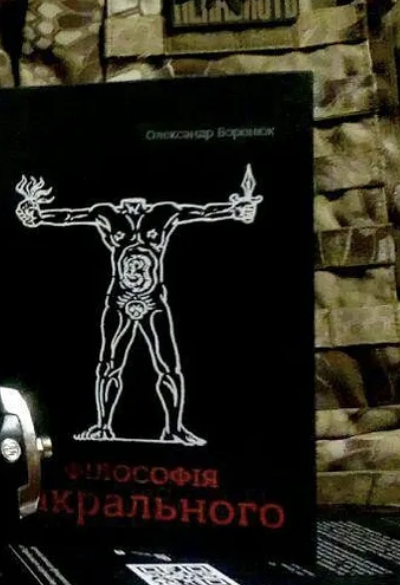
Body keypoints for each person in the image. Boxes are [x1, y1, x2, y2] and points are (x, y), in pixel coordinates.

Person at [15, 168, 260, 446]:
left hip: (152, 299)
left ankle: (174, 428)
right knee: (109, 365)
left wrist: (234, 209)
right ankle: (103, 426)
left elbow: (202, 212)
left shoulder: (164, 213)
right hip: (120, 299)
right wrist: (38, 215)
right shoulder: (106, 214)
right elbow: (69, 216)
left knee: (168, 365)